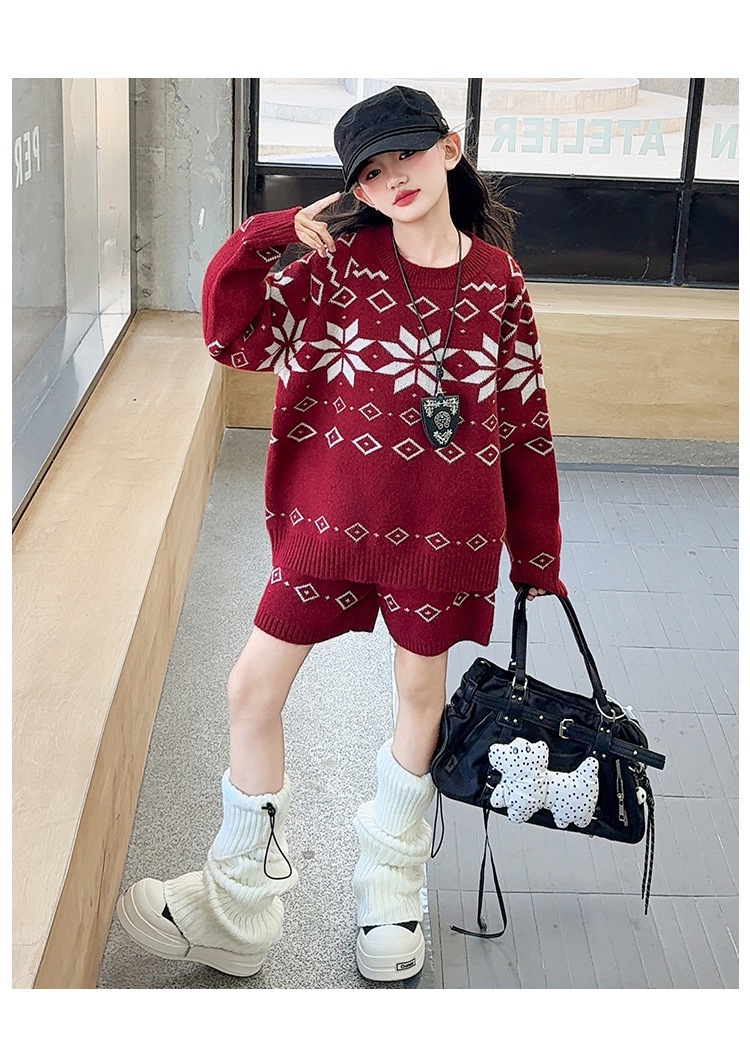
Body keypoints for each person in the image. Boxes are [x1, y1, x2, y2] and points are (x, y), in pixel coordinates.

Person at [116, 85, 567, 984]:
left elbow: (524, 421)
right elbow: (233, 339)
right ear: (354, 188)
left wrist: (538, 553)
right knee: (251, 688)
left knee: (419, 696)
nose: (393, 179)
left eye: (408, 155)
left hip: (443, 535)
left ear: (450, 148)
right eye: (370, 171)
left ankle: (391, 889)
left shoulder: (498, 281)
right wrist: (263, 237)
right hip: (327, 528)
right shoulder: (335, 269)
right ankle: (240, 906)